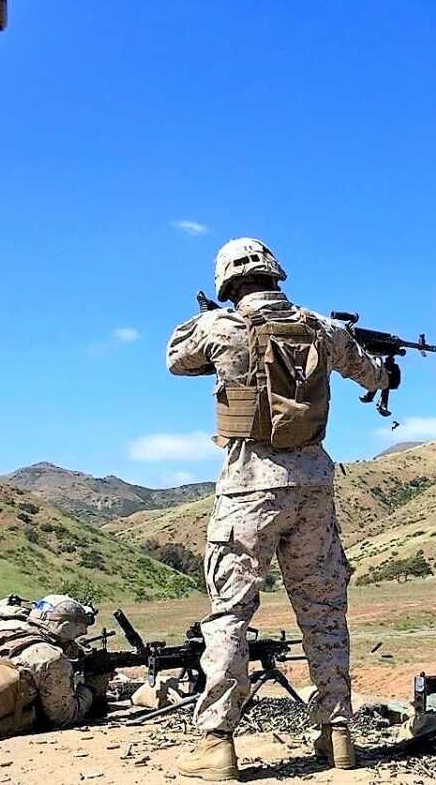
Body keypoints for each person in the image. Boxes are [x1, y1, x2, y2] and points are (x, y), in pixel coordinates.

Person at [167, 238, 396, 781]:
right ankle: (337, 734)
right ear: (276, 273)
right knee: (323, 611)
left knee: (230, 615)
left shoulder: (219, 328)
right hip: (314, 486)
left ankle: (217, 743)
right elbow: (374, 376)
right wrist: (385, 375)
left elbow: (177, 362)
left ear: (226, 281)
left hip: (248, 489)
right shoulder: (324, 328)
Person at [0, 594, 108, 744]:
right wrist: (91, 688)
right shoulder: (51, 657)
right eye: (78, 634)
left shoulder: (2, 627)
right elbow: (63, 716)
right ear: (64, 626)